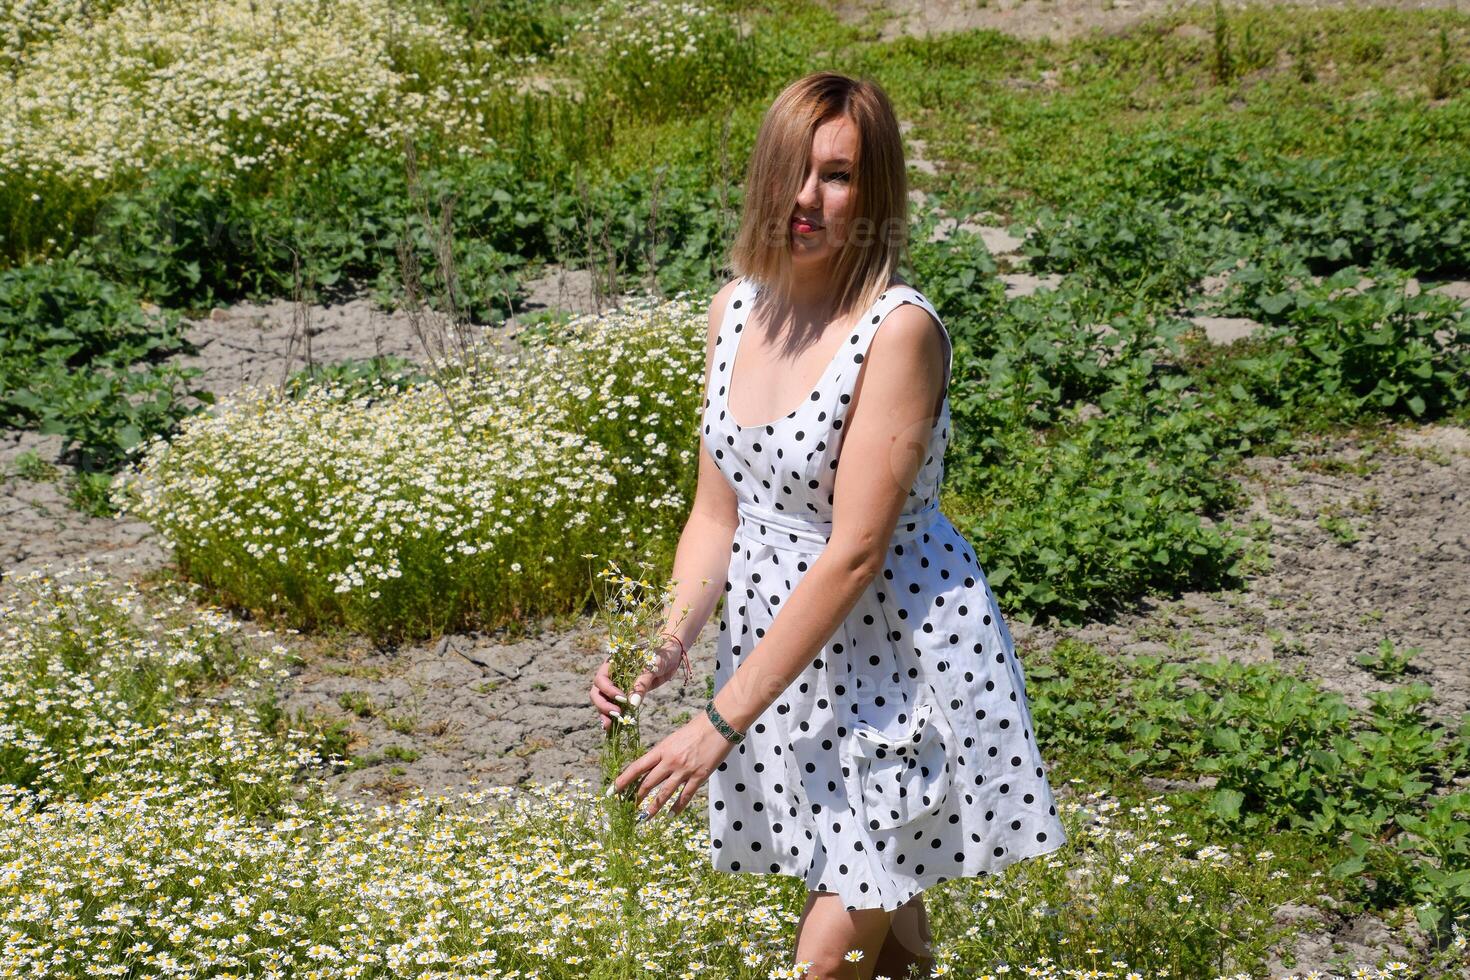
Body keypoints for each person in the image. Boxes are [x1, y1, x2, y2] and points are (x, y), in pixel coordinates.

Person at [589, 70, 1067, 980]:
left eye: (838, 177)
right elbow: (718, 512)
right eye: (792, 170)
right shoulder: (736, 309)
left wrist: (716, 724)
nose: (806, 198)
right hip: (787, 665)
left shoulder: (897, 331)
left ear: (876, 192)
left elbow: (854, 553)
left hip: (895, 666)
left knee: (827, 961)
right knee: (888, 949)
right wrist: (664, 649)